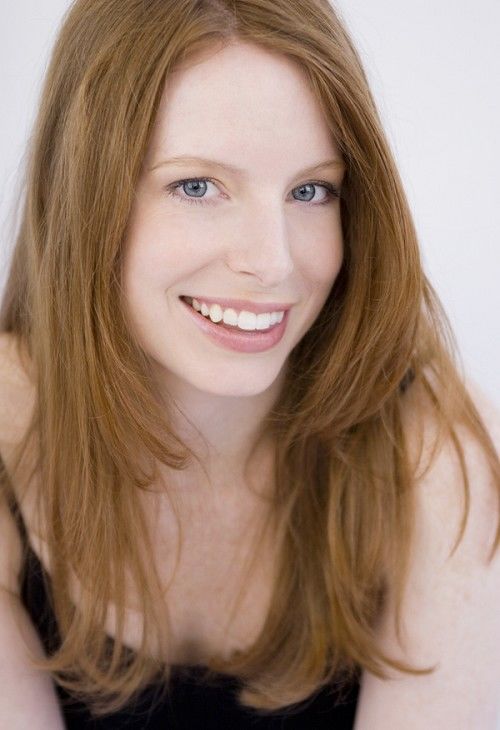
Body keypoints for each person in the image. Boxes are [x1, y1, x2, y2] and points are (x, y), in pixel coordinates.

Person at [0, 0, 499, 727]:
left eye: (310, 190)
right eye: (197, 187)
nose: (274, 261)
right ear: (81, 194)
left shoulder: (440, 454)